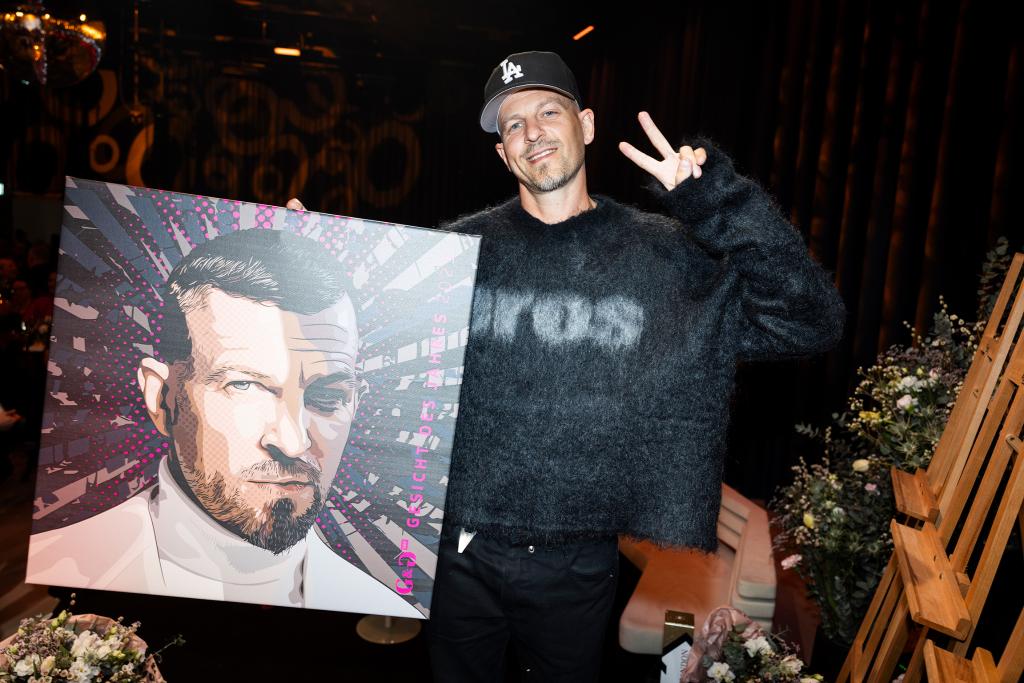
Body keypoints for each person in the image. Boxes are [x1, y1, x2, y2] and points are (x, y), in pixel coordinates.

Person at [423, 51, 848, 682]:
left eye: (548, 112)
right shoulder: (456, 254)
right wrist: (303, 257)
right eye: (513, 125)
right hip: (459, 548)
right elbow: (366, 341)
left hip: (578, 559)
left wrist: (716, 204)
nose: (532, 132)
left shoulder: (662, 259)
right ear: (502, 153)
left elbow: (809, 320)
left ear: (587, 125)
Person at [26, 228, 422, 618]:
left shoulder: (382, 607)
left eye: (328, 397)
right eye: (244, 386)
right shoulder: (70, 561)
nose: (293, 441)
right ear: (162, 399)